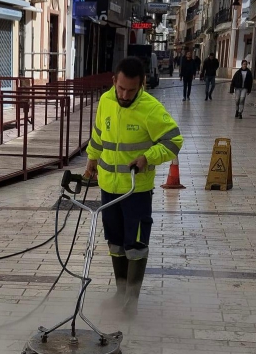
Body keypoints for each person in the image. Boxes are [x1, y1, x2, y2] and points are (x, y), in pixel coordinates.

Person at [84, 56, 184, 316]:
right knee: (115, 242)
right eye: (121, 88)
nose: (125, 95)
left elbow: (174, 142)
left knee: (136, 245)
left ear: (142, 85)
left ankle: (132, 300)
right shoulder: (105, 101)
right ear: (114, 81)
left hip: (135, 190)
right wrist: (91, 160)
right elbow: (98, 134)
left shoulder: (150, 109)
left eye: (131, 90)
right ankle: (120, 292)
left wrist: (148, 158)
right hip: (108, 187)